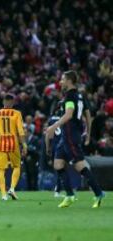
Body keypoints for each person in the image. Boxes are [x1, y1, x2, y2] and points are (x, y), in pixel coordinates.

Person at [46, 70, 105, 208]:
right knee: (58, 164)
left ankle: (98, 193)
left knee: (79, 166)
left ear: (69, 81)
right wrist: (88, 134)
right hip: (68, 136)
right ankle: (70, 195)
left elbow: (68, 115)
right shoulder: (80, 96)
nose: (60, 82)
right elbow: (88, 116)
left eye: (62, 79)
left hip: (70, 135)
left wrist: (53, 127)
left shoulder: (70, 97)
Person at [0, 93, 27, 201]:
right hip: (13, 143)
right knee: (17, 166)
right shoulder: (17, 113)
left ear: (3, 102)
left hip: (1, 144)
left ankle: (3, 195)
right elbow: (20, 131)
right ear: (12, 102)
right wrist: (24, 144)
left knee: (1, 170)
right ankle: (12, 188)